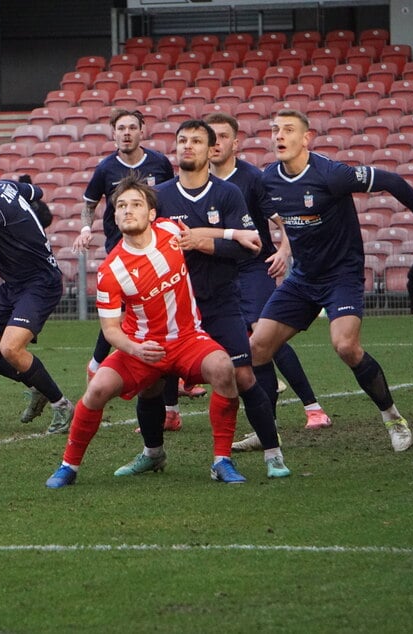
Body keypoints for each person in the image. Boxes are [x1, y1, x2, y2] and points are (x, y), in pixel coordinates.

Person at [249, 109, 413, 452]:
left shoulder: (331, 174)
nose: (279, 136)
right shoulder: (269, 180)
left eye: (288, 130)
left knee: (345, 346)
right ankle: (267, 433)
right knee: (257, 349)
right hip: (302, 278)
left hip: (341, 274)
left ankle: (392, 417)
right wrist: (281, 250)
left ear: (307, 138)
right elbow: (272, 218)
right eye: (275, 129)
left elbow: (392, 181)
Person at [46, 175, 246, 488]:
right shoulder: (111, 270)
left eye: (136, 204)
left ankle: (221, 461)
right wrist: (135, 350)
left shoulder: (170, 230)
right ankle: (68, 467)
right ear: (113, 216)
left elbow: (196, 232)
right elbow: (110, 330)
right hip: (141, 346)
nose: (128, 210)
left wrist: (235, 234)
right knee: (96, 390)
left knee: (223, 368)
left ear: (151, 214)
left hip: (187, 339)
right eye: (121, 206)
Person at [128, 119, 291, 480]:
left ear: (210, 148)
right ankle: (152, 453)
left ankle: (273, 454)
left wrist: (203, 243)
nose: (188, 146)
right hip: (172, 308)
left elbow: (248, 248)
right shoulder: (160, 197)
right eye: (182, 140)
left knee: (243, 375)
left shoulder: (228, 194)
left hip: (218, 303)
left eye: (196, 141)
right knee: (151, 381)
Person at [203, 112, 332, 449]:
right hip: (221, 272)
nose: (215, 144)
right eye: (209, 137)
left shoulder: (252, 178)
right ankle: (268, 428)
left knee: (263, 336)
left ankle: (311, 409)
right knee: (241, 343)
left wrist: (284, 251)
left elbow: (284, 219)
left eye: (221, 137)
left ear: (236, 142)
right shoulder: (197, 181)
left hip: (254, 267)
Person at [0, 143, 74, 433]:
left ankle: (61, 405)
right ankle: (36, 384)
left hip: (40, 282)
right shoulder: (5, 186)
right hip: (14, 284)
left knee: (9, 348)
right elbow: (37, 193)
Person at [72, 109, 185, 395]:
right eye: (121, 128)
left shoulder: (159, 163)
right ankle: (99, 363)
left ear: (141, 131)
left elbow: (167, 199)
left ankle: (175, 374)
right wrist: (86, 230)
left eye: (132, 127)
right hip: (121, 249)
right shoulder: (105, 168)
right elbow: (89, 205)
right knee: (121, 313)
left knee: (161, 310)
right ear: (113, 134)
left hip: (157, 248)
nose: (126, 133)